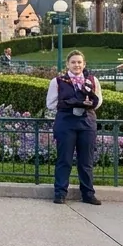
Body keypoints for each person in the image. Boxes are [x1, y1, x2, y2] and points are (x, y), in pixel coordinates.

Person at [46, 50, 102, 206]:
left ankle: (88, 194)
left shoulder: (92, 80)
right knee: (64, 159)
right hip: (66, 123)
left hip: (87, 123)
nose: (76, 65)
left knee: (86, 161)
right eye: (73, 62)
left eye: (79, 62)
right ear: (67, 64)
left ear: (84, 64)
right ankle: (60, 193)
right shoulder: (57, 82)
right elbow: (50, 104)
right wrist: (71, 103)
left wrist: (88, 104)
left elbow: (99, 101)